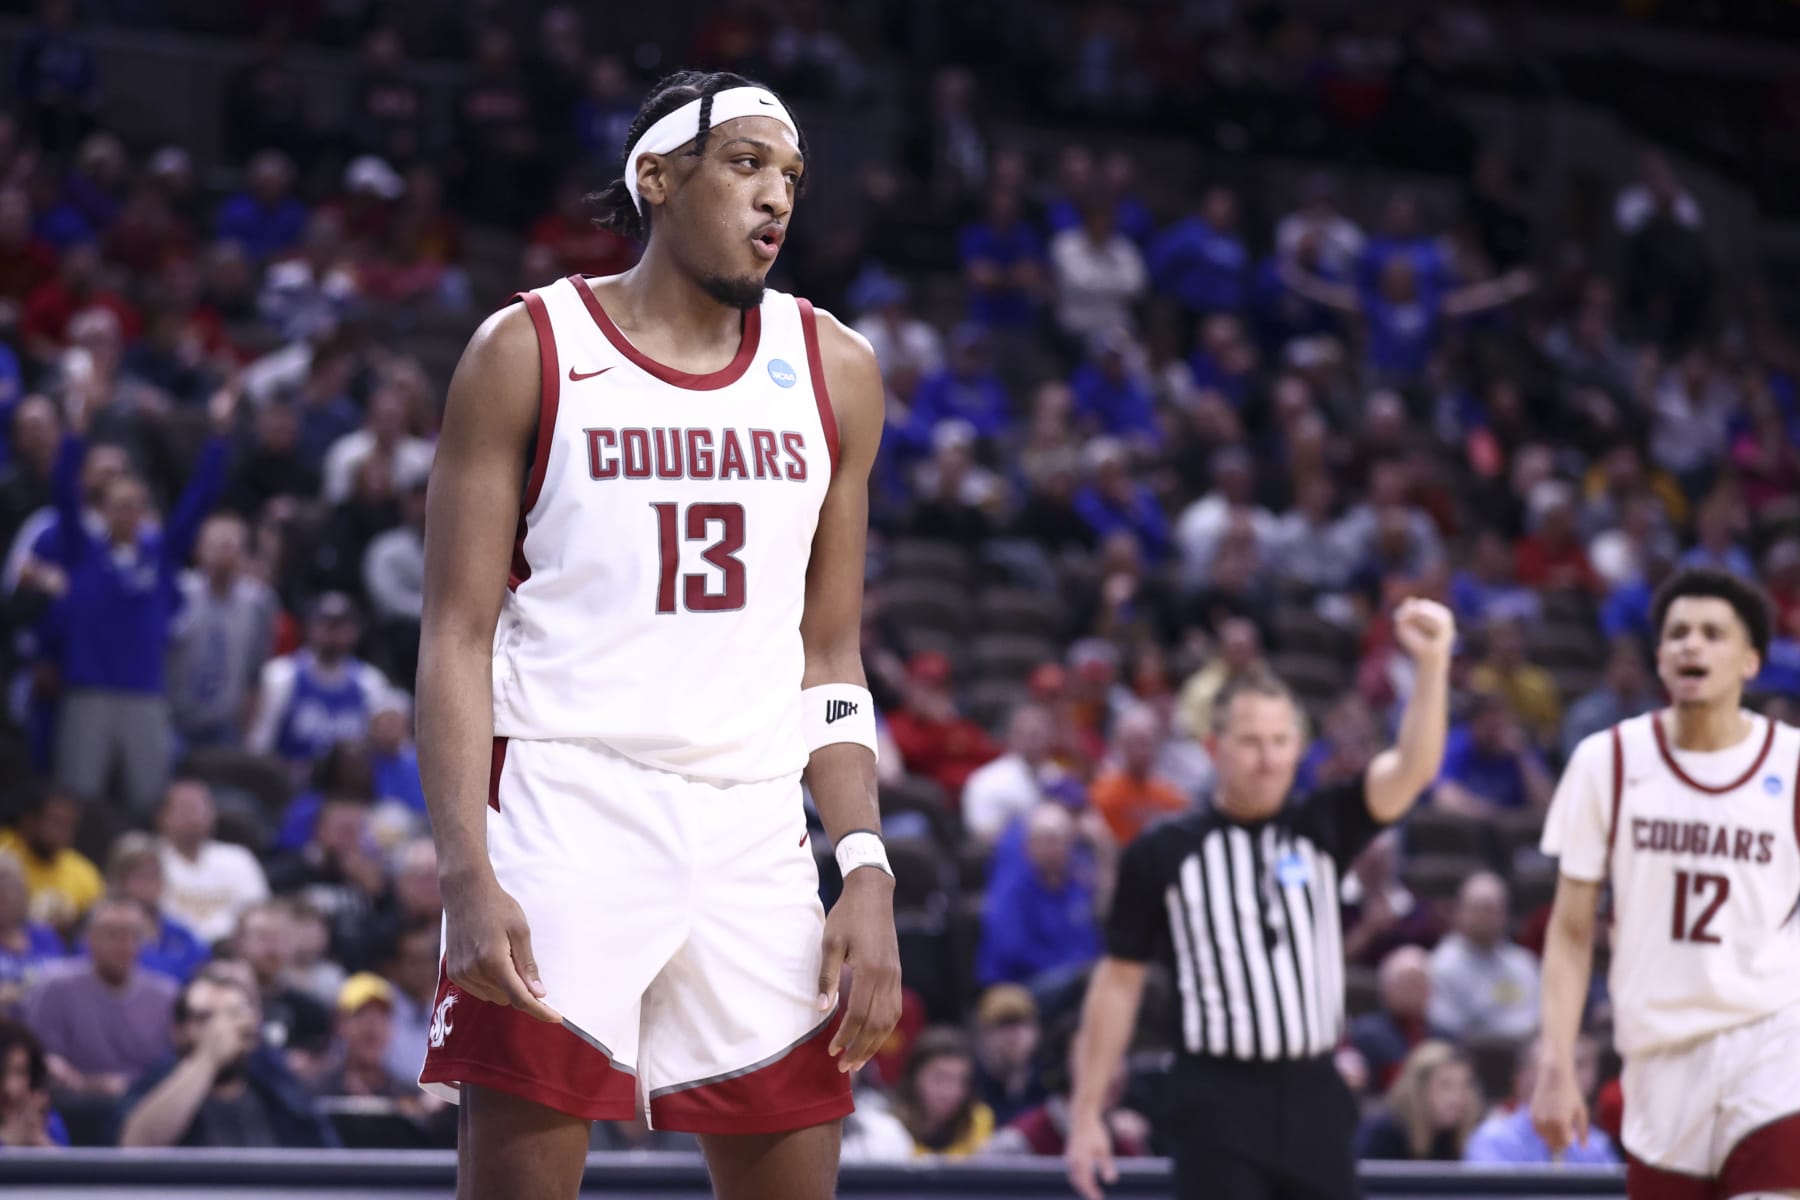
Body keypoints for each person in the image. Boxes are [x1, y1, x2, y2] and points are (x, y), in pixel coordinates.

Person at [415, 70, 900, 1200]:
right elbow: (454, 635)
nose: (775, 197)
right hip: (564, 804)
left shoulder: (835, 370)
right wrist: (463, 875)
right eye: (743, 165)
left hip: (754, 829)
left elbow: (828, 658)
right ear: (657, 178)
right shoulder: (527, 348)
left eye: (789, 176)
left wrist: (864, 864)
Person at [1065, 598, 1456, 1200]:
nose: (1269, 757)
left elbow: (1414, 768)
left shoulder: (1326, 821)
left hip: (1316, 1091)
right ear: (1212, 746)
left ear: (1300, 744)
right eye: (1250, 741)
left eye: (1281, 740)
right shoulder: (1162, 851)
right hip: (1215, 1096)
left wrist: (1432, 664)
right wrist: (1087, 1111)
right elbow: (1118, 984)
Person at [1534, 567, 1800, 1198]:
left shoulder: (1792, 764)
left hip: (1772, 1043)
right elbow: (1571, 933)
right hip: (1657, 1053)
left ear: (1750, 661)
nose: (1692, 645)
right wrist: (1555, 1062)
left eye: (1713, 633)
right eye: (1678, 633)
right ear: (1658, 658)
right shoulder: (1609, 761)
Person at [1465, 1034, 1617, 1165]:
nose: (1568, 1075)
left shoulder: (1596, 1144)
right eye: (1555, 1065)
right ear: (1523, 1075)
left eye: (1579, 1065)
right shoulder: (1494, 1139)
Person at [1355, 1040, 1482, 1161]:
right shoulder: (1383, 1133)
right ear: (1418, 1088)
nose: (1456, 1097)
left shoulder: (1467, 1135)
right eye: (1445, 1085)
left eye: (1465, 1085)